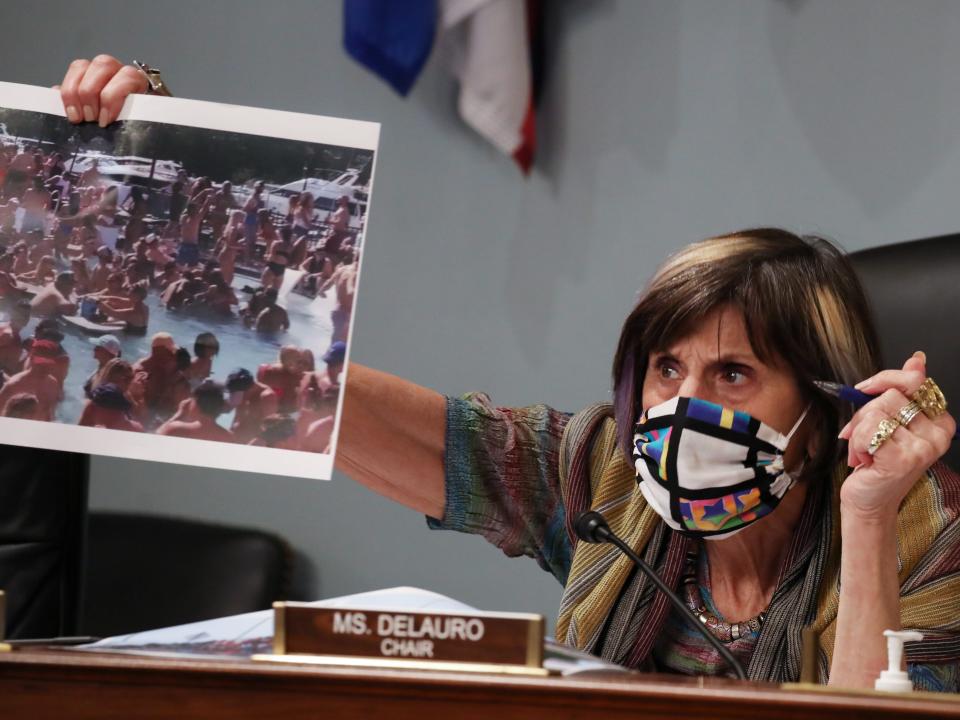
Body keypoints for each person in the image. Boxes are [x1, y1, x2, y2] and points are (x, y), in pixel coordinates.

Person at [59, 61, 960, 691]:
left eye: (731, 373)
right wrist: (162, 163)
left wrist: (870, 515)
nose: (681, 408)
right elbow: (324, 403)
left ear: (824, 397)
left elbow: (875, 716)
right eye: (664, 369)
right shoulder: (606, 473)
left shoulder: (928, 534)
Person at [0, 340, 62, 421]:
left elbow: (50, 413)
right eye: (41, 362)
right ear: (32, 358)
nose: (45, 366)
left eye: (49, 362)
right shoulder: (14, 385)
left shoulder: (53, 384)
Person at [157, 379, 234, 442]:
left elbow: (155, 441)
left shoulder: (176, 428)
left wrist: (179, 414)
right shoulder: (229, 437)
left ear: (196, 404)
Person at [225, 367, 278, 444]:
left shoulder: (267, 396)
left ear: (248, 387)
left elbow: (271, 427)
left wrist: (255, 444)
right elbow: (238, 415)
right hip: (236, 437)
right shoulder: (240, 391)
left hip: (253, 441)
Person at [257, 345, 302, 414]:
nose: (299, 363)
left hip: (267, 411)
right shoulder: (294, 378)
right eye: (297, 359)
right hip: (280, 413)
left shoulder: (264, 369)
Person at [82, 333, 122, 397]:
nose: (94, 349)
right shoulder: (101, 367)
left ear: (107, 352)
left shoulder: (111, 376)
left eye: (98, 347)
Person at [0, 300, 30, 375]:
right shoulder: (9, 335)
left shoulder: (3, 327)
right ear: (13, 314)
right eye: (21, 314)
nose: (24, 318)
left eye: (27, 315)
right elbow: (9, 370)